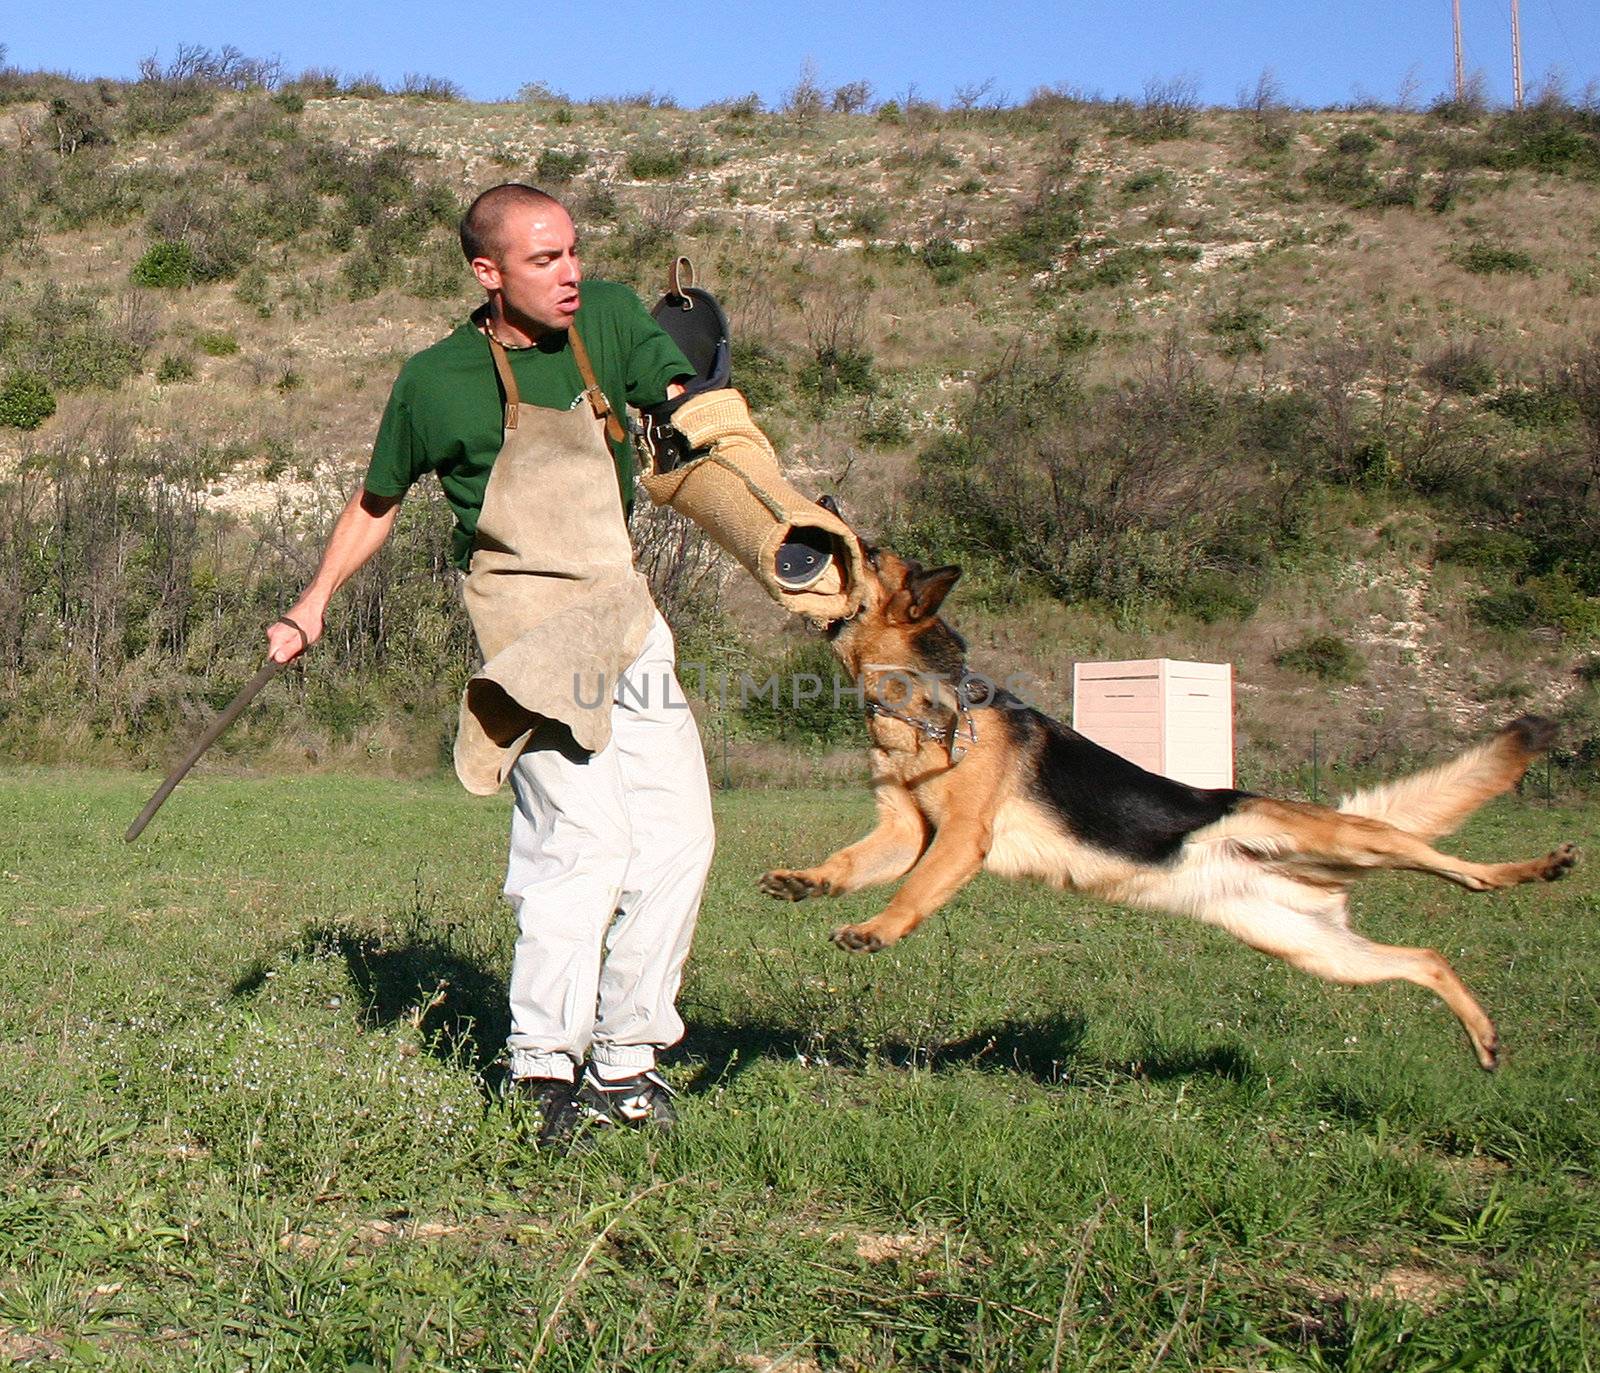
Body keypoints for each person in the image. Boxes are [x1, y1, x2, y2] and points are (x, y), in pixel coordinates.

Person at [265, 183, 715, 1148]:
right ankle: (544, 1067)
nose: (571, 273)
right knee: (583, 843)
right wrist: (315, 601)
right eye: (544, 260)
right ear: (487, 272)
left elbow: (681, 403)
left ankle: (628, 1061)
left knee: (681, 839)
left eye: (574, 252)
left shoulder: (608, 318)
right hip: (528, 628)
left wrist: (708, 409)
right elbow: (377, 501)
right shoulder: (437, 379)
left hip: (626, 616)